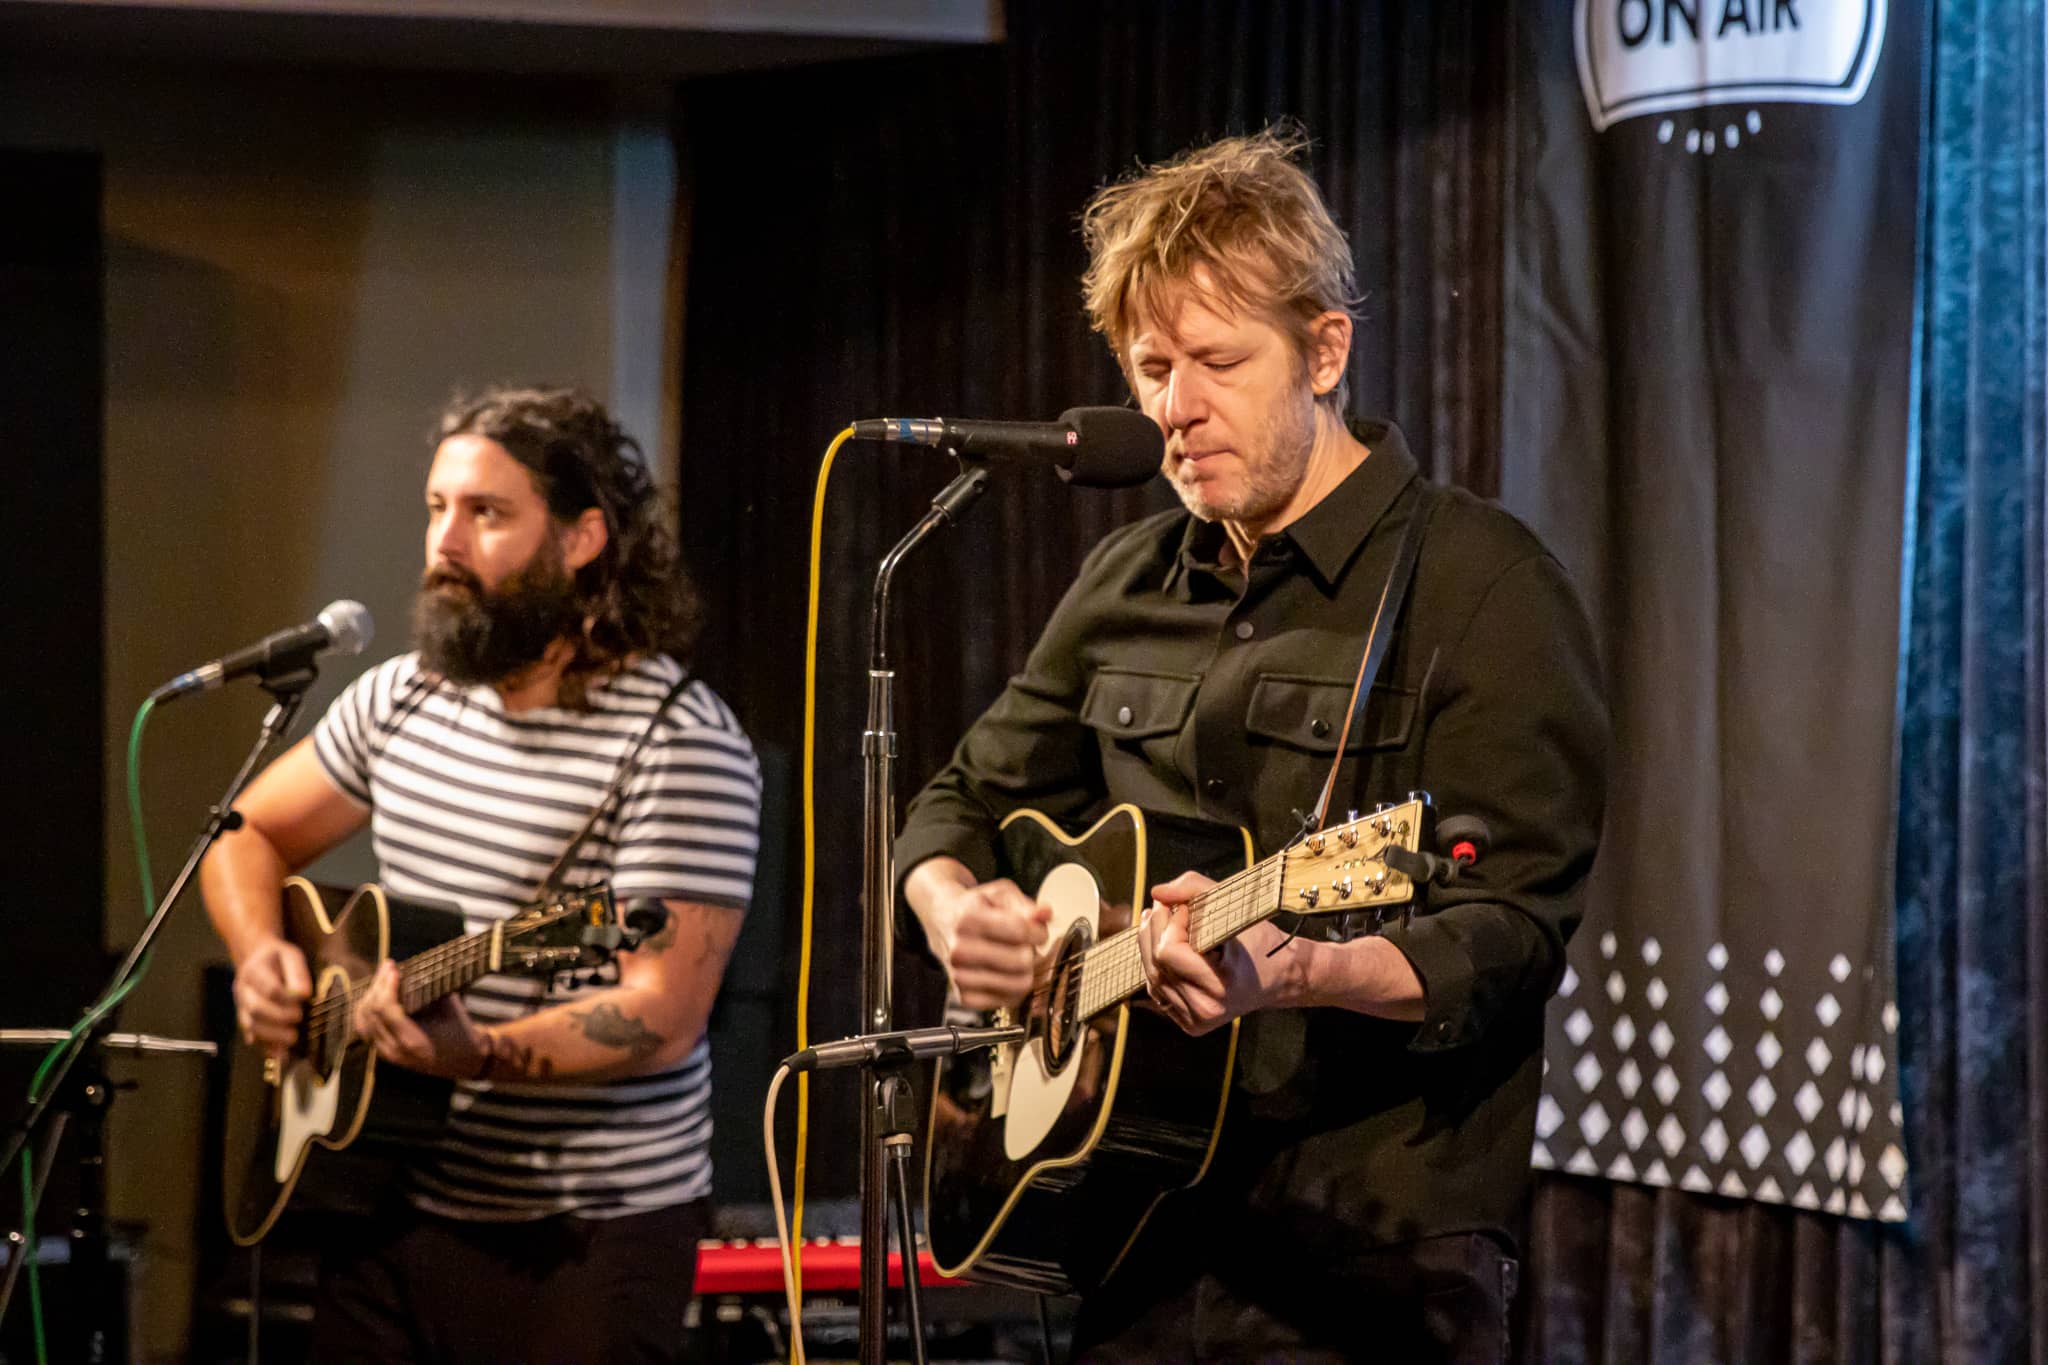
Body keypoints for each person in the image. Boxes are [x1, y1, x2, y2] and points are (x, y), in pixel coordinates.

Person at [896, 129, 1608, 1362]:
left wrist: (1292, 975)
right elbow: (961, 794)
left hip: (1369, 1257)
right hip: (1128, 1234)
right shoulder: (1124, 579)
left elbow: (1508, 929)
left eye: (1218, 362)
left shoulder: (1482, 587)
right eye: (1149, 367)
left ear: (1325, 348)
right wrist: (951, 906)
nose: (1174, 411)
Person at [200, 385, 760, 1363]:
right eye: (436, 509)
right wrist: (260, 960)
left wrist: (485, 1053)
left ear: (583, 540)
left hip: (585, 1239)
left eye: (486, 513)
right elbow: (243, 833)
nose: (444, 543)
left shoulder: (674, 742)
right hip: (386, 1200)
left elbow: (663, 1012)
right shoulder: (406, 697)